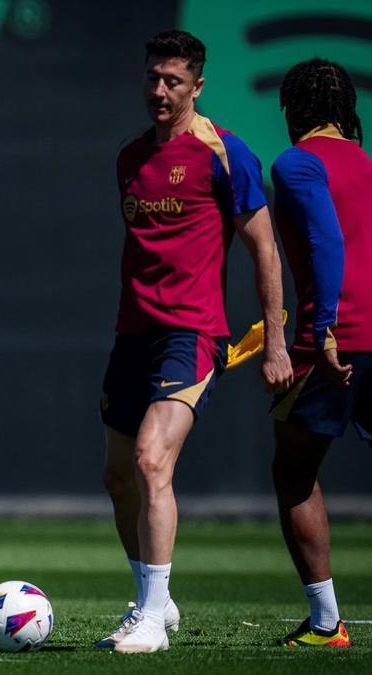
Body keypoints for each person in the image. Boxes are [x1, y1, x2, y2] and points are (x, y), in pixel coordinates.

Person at [97, 30, 293, 653]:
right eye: (153, 77)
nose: (159, 90)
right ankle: (154, 599)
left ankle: (151, 616)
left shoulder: (225, 154)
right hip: (134, 334)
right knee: (119, 476)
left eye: (173, 81)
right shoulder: (130, 157)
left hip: (193, 334)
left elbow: (264, 246)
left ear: (197, 86)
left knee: (154, 460)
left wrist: (277, 340)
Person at [269, 58, 368, 649]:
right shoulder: (365, 161)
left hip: (336, 340)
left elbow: (324, 240)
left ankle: (328, 623)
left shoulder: (297, 162)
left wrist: (323, 329)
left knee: (294, 471)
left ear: (293, 110)